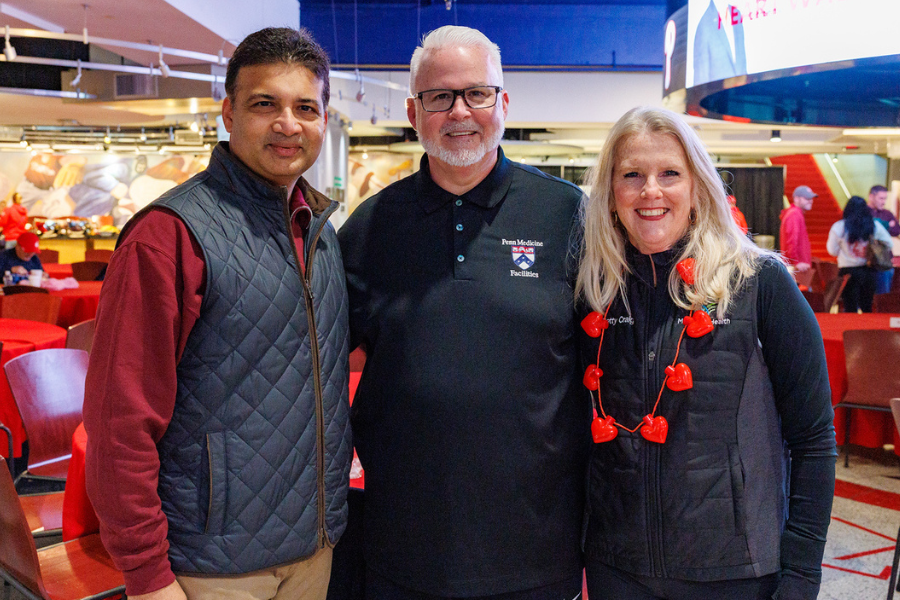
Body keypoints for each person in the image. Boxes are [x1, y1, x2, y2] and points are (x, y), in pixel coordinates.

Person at [83, 27, 351, 600]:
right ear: (228, 113)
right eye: (265, 104)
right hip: (210, 568)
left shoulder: (320, 235)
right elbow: (119, 424)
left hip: (313, 551)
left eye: (306, 107)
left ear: (324, 121)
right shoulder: (169, 237)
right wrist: (148, 576)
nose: (288, 123)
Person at [338, 25, 590, 600]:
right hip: (404, 542)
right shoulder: (369, 228)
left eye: (477, 93)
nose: (460, 111)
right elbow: (318, 364)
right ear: (413, 110)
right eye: (439, 96)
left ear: (503, 103)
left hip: (536, 544)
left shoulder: (568, 216)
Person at [576, 106, 835, 600]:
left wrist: (801, 575)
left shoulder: (759, 283)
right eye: (632, 175)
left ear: (698, 186)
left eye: (670, 173)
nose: (651, 190)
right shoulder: (594, 290)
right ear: (611, 194)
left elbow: (814, 439)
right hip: (617, 569)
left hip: (734, 572)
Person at [827, 195, 893, 313]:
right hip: (869, 270)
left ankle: (850, 330)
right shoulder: (874, 226)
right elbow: (889, 243)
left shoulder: (839, 227)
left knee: (849, 306)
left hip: (847, 272)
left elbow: (832, 250)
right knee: (867, 306)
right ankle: (867, 330)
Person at [868, 185, 898, 294]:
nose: (884, 202)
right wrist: (886, 225)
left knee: (883, 298)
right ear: (871, 197)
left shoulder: (887, 213)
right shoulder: (864, 212)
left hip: (884, 262)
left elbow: (896, 230)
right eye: (881, 198)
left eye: (885, 198)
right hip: (867, 262)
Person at [779, 185, 816, 273]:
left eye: (811, 198)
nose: (811, 201)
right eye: (807, 198)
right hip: (796, 270)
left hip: (796, 268)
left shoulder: (795, 213)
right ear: (796, 199)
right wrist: (796, 262)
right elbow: (791, 241)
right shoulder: (794, 214)